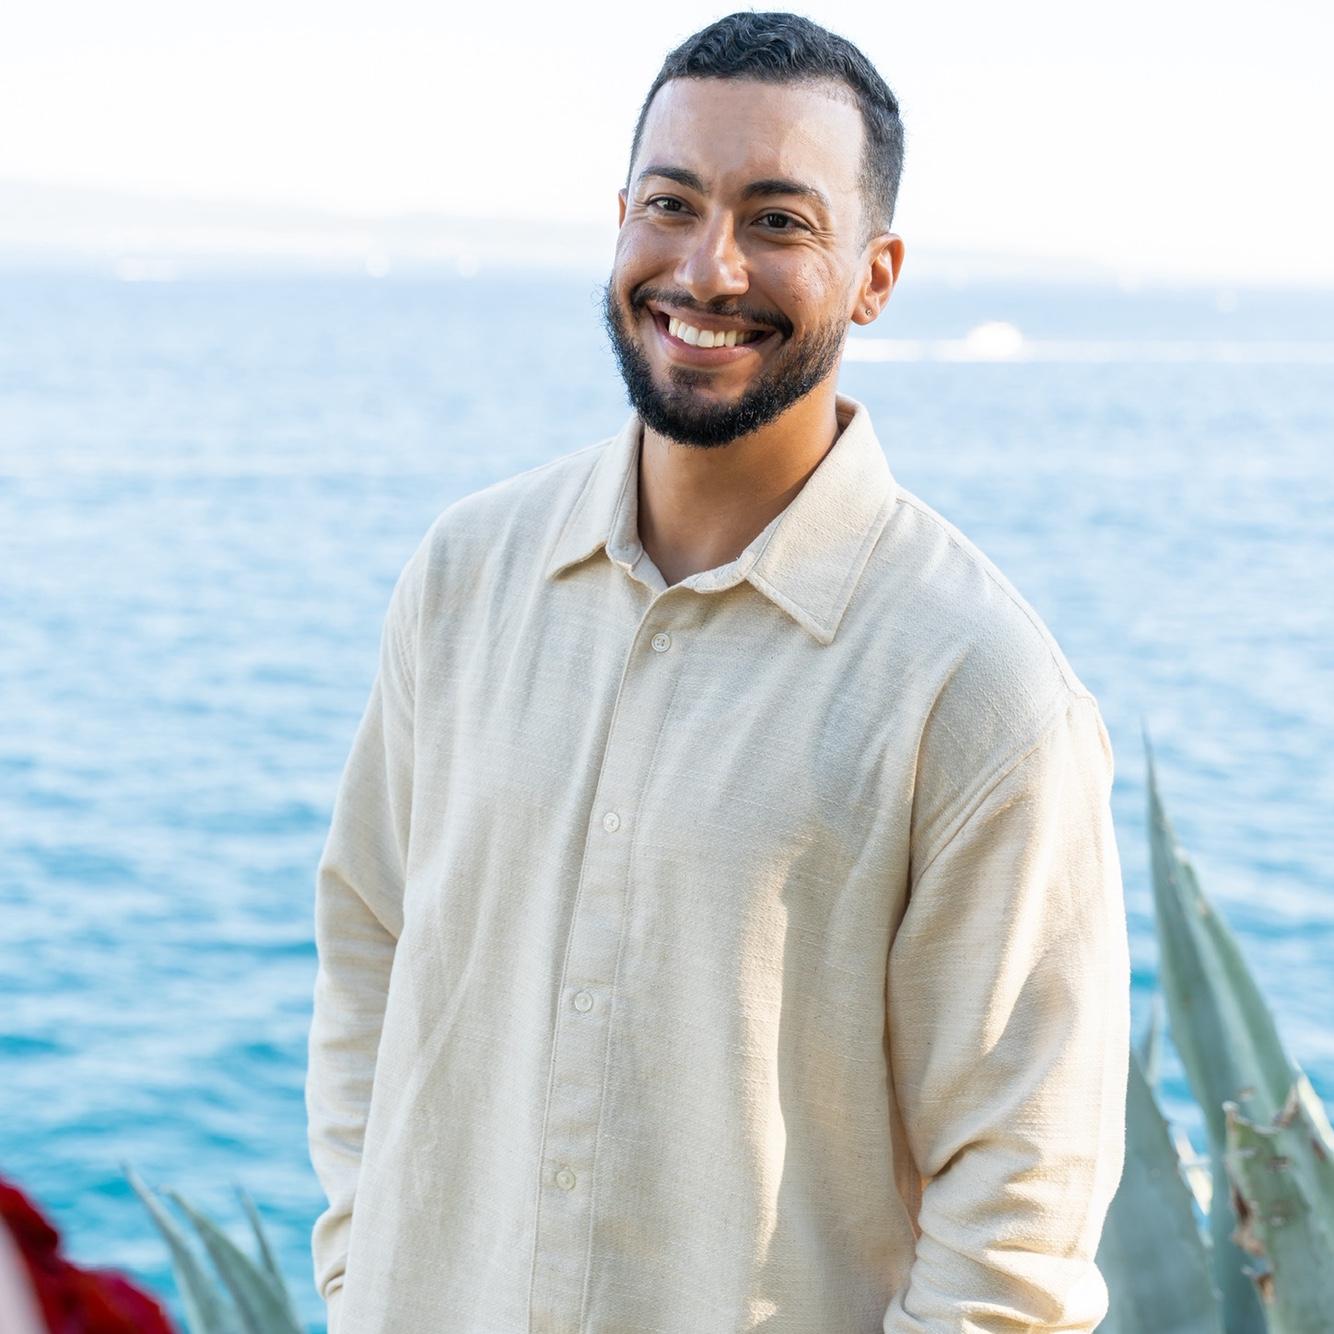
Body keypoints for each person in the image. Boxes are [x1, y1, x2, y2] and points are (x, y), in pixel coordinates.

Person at [305, 11, 1131, 1332]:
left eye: (778, 221)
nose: (708, 268)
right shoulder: (464, 576)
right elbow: (369, 942)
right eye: (671, 204)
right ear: (619, 222)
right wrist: (365, 1275)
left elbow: (1017, 1219)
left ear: (874, 275)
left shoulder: (980, 691)